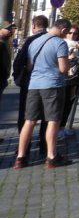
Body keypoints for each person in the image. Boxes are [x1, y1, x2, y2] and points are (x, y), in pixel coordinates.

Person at [14, 17, 71, 169]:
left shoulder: (34, 42)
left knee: (29, 121)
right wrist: (70, 60)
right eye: (66, 33)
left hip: (33, 85)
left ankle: (21, 157)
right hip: (52, 85)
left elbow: (30, 65)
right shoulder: (60, 43)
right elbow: (63, 69)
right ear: (63, 30)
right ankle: (52, 157)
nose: (66, 36)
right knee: (53, 121)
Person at [15, 16, 52, 159]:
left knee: (26, 117)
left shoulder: (30, 41)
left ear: (33, 26)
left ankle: (24, 147)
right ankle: (44, 146)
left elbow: (19, 62)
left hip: (30, 84)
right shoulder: (52, 40)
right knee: (47, 116)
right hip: (49, 83)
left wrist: (19, 78)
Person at [58, 25, 79, 139]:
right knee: (61, 105)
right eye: (70, 33)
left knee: (69, 104)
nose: (72, 35)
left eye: (75, 33)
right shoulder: (61, 43)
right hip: (63, 77)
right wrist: (70, 56)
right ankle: (57, 130)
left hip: (74, 77)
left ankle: (63, 128)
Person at [0, 19, 13, 104]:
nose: (10, 31)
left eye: (11, 28)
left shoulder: (6, 42)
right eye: (8, 29)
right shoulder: (1, 43)